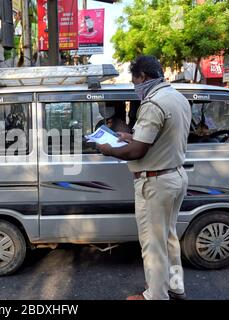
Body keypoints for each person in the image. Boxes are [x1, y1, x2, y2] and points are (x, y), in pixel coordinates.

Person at [96, 56, 191, 300]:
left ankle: (155, 296)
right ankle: (176, 286)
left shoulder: (153, 104)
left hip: (155, 182)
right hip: (176, 177)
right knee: (169, 237)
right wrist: (128, 137)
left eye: (134, 80)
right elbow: (155, 138)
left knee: (152, 244)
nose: (134, 86)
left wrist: (110, 149)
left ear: (144, 77)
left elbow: (138, 151)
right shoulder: (177, 98)